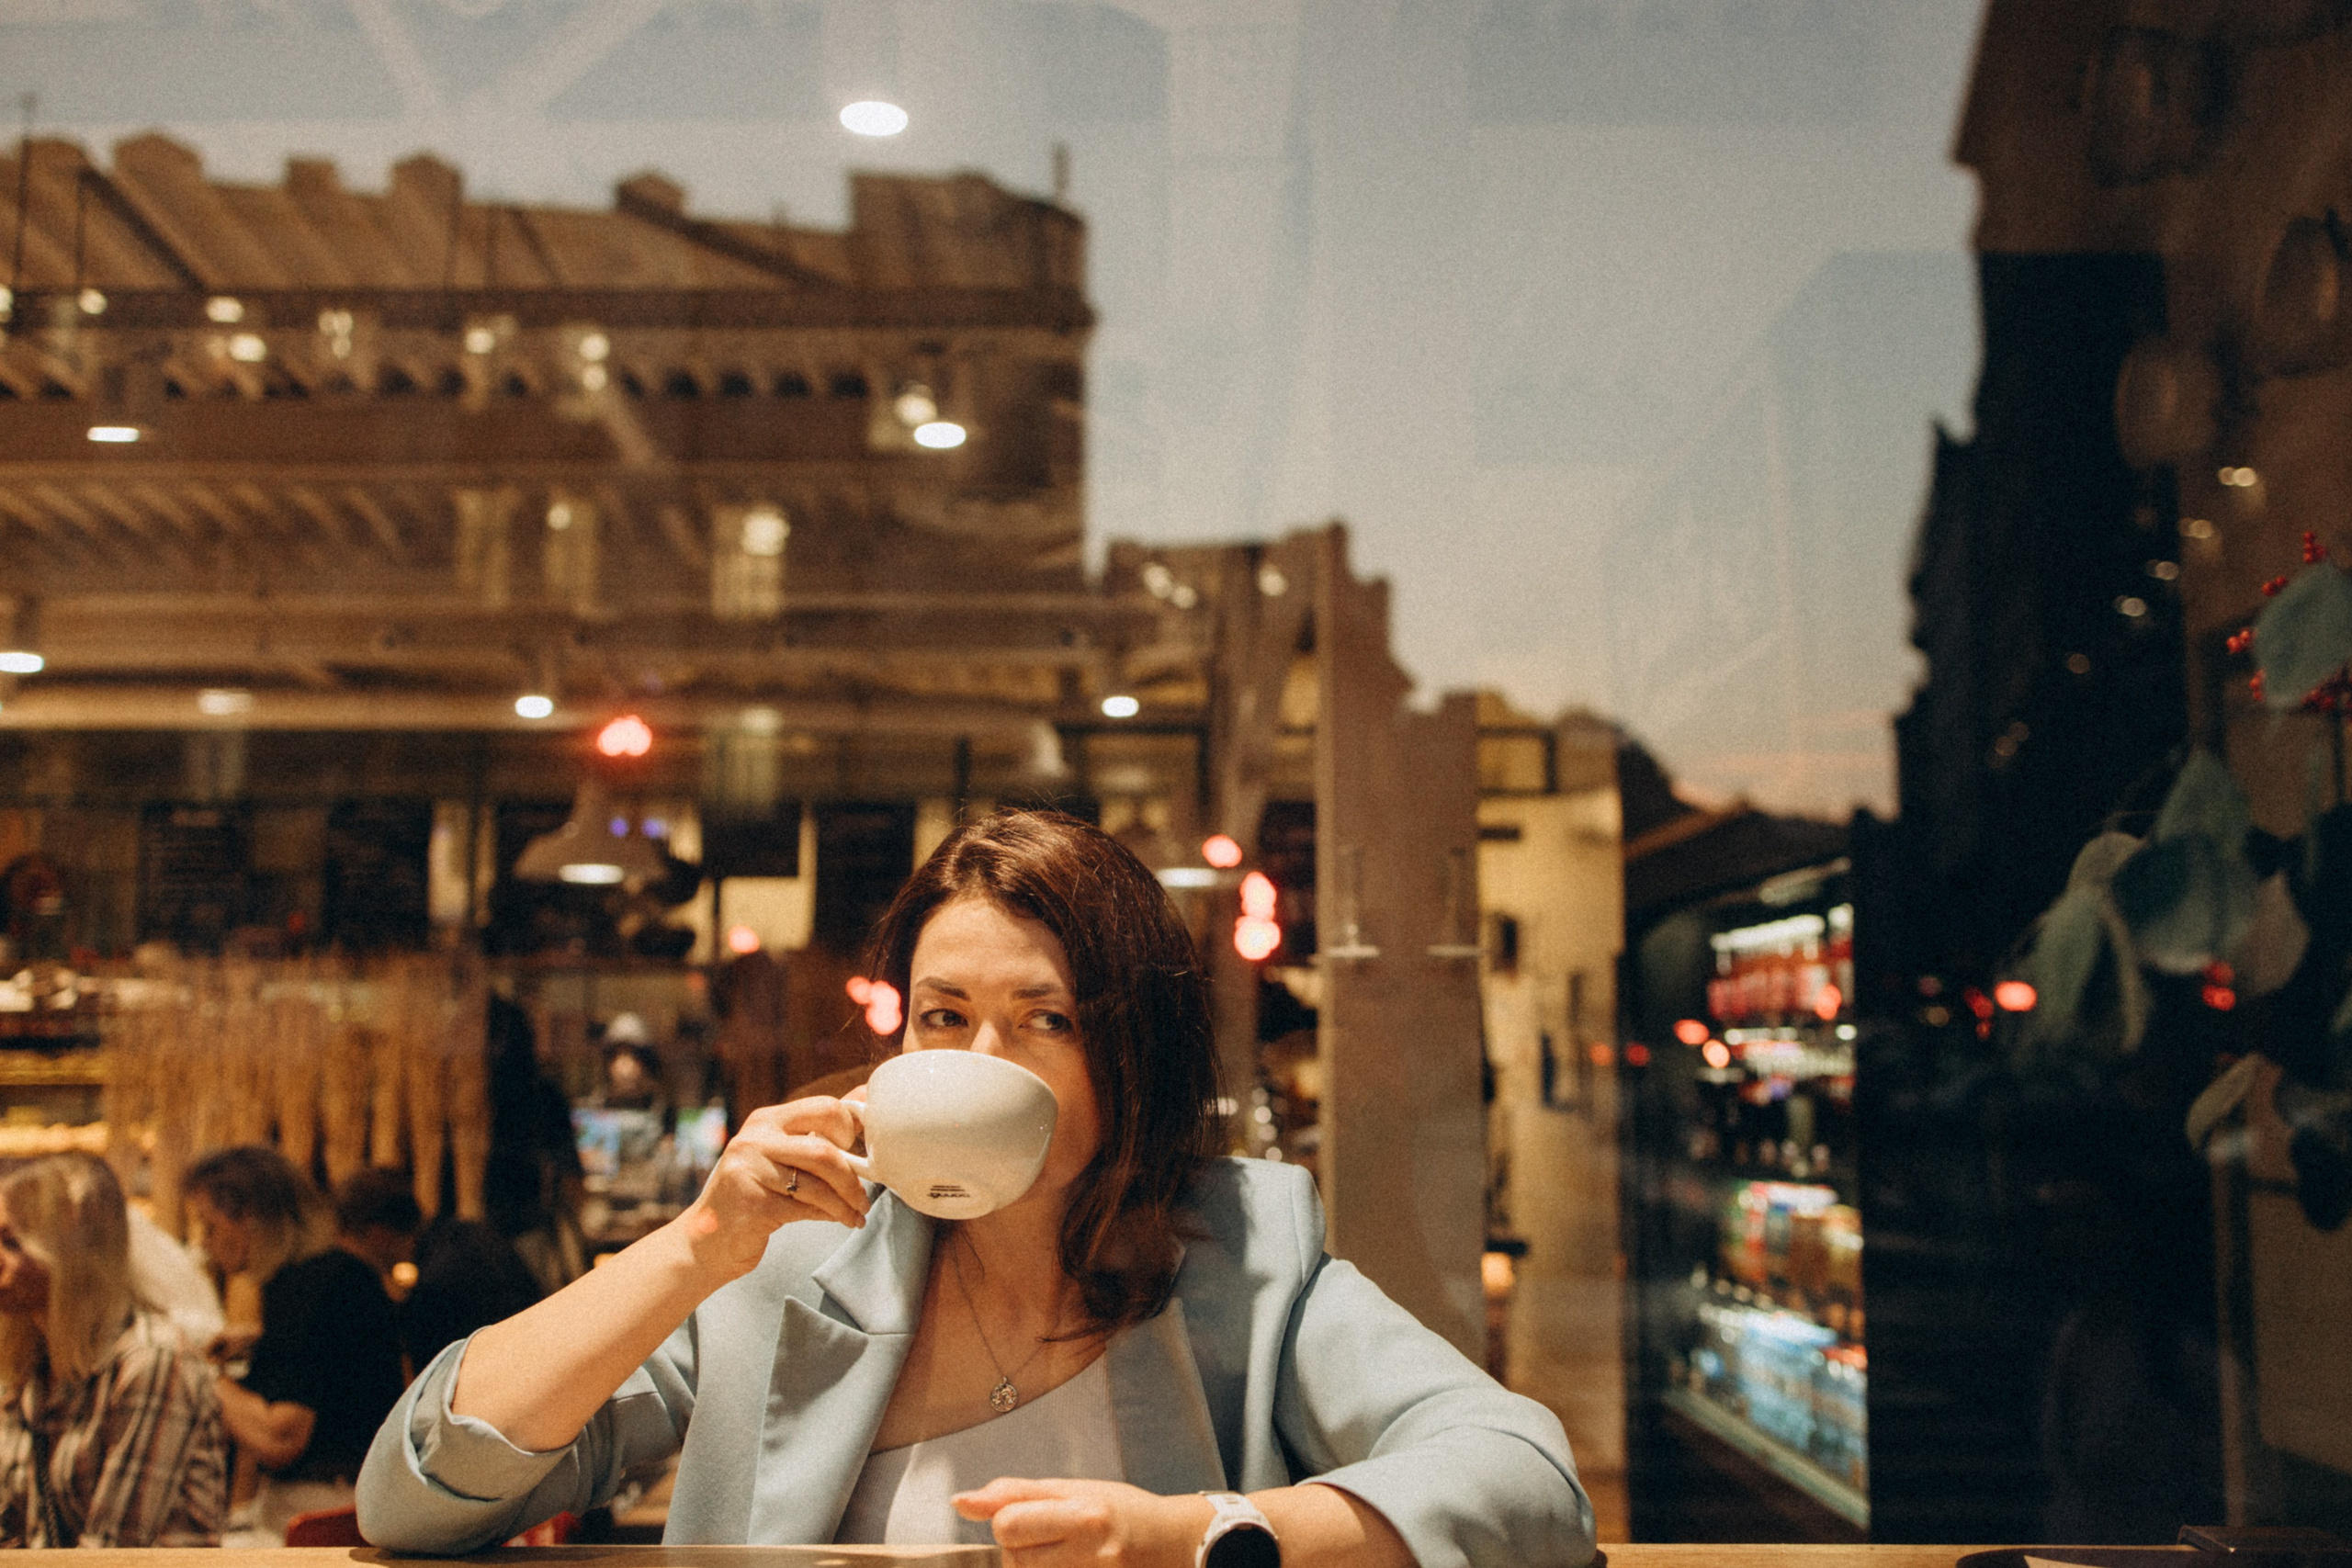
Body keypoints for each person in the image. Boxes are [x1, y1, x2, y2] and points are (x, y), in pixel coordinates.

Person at [360, 810, 1596, 1567]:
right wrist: (693, 1243)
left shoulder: (1239, 1252)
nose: (977, 1059)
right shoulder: (788, 1264)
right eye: (944, 1014)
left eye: (1043, 1017)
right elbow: (415, 1495)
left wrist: (1206, 1534)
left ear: (1129, 1054)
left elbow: (1525, 1481)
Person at [0, 1154, 226, 1546]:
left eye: (11, 1242)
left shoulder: (153, 1359)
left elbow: (113, 1551)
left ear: (72, 1253)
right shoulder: (31, 1362)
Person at [191, 1155, 415, 1545]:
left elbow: (281, 1438)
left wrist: (196, 1369)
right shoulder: (334, 1275)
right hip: (362, 1503)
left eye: (210, 1226)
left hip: (324, 1508)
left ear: (250, 1218)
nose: (204, 1242)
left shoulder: (307, 1287)